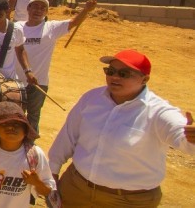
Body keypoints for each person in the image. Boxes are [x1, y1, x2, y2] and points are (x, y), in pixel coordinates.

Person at [48, 50, 195, 208]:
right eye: (110, 71)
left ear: (145, 79)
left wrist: (191, 138)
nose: (114, 77)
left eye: (124, 73)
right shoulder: (91, 98)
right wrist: (51, 174)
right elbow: (67, 137)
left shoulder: (158, 112)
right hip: (76, 190)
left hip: (128, 201)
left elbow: (181, 136)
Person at [18, 0, 96, 133]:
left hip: (39, 82)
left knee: (33, 117)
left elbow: (74, 22)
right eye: (35, 6)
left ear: (47, 12)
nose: (38, 10)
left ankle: (30, 148)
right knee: (16, 116)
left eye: (43, 8)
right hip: (17, 81)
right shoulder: (17, 27)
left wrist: (86, 10)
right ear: (28, 8)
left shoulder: (51, 27)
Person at [0, 102, 55, 208]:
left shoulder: (35, 154)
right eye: (4, 124)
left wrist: (36, 182)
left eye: (17, 124)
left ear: (25, 130)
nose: (11, 128)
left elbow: (47, 191)